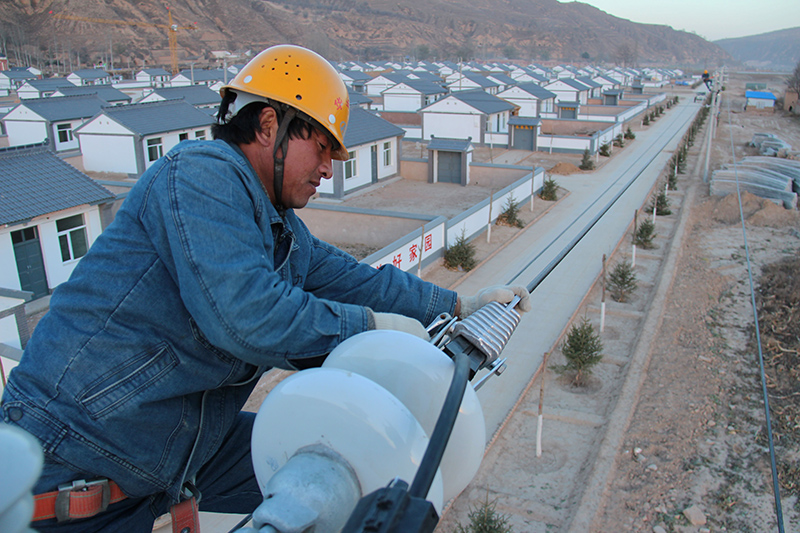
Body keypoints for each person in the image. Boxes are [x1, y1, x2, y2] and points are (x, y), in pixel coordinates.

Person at [0, 44, 530, 532]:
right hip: (72, 457)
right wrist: (369, 328)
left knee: (348, 466)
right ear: (269, 124)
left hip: (171, 445)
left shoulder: (278, 226)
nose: (327, 169)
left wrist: (456, 304)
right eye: (321, 148)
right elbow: (247, 316)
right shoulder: (200, 174)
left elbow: (353, 279)